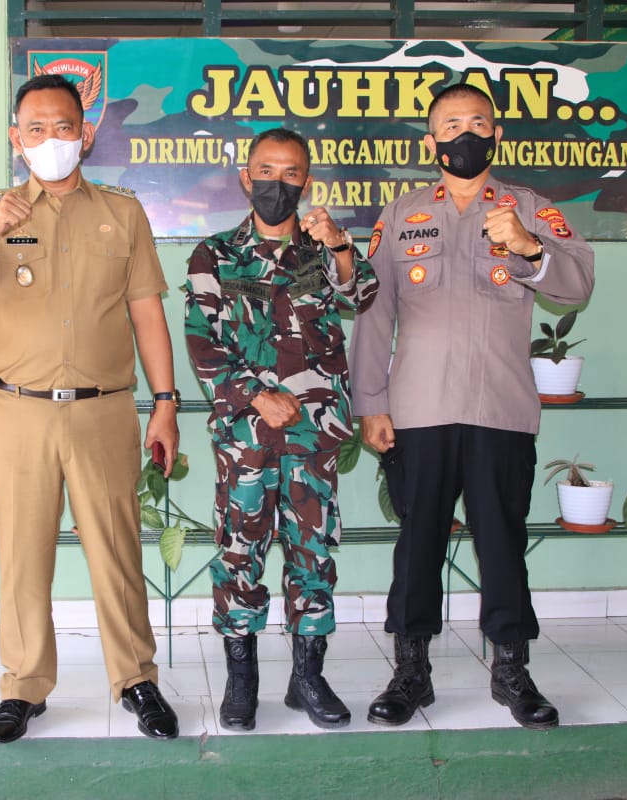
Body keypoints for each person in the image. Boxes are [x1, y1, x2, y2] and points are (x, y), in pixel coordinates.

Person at [0, 74, 180, 744]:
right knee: (22, 556)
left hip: (104, 411)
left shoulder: (122, 213)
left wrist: (164, 402)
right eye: (36, 129)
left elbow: (146, 313)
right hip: (19, 411)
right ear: (16, 139)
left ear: (85, 134)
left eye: (63, 127)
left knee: (116, 553)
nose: (50, 139)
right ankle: (24, 686)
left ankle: (136, 678)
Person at [351, 84, 595, 730]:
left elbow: (577, 286)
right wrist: (371, 402)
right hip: (419, 410)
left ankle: (512, 670)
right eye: (452, 124)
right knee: (418, 543)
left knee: (502, 542)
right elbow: (373, 312)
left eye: (478, 123)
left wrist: (530, 247)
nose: (466, 134)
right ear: (431, 141)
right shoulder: (401, 214)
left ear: (497, 135)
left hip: (500, 409)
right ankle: (411, 671)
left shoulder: (530, 208)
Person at [184, 128, 378, 731]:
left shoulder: (321, 248)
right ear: (246, 178)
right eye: (265, 171)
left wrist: (339, 245)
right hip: (246, 437)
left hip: (313, 436)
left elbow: (363, 294)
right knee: (239, 550)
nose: (277, 183)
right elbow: (202, 342)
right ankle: (242, 680)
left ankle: (307, 678)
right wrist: (255, 396)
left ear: (306, 181)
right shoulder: (215, 254)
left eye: (291, 173)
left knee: (311, 551)